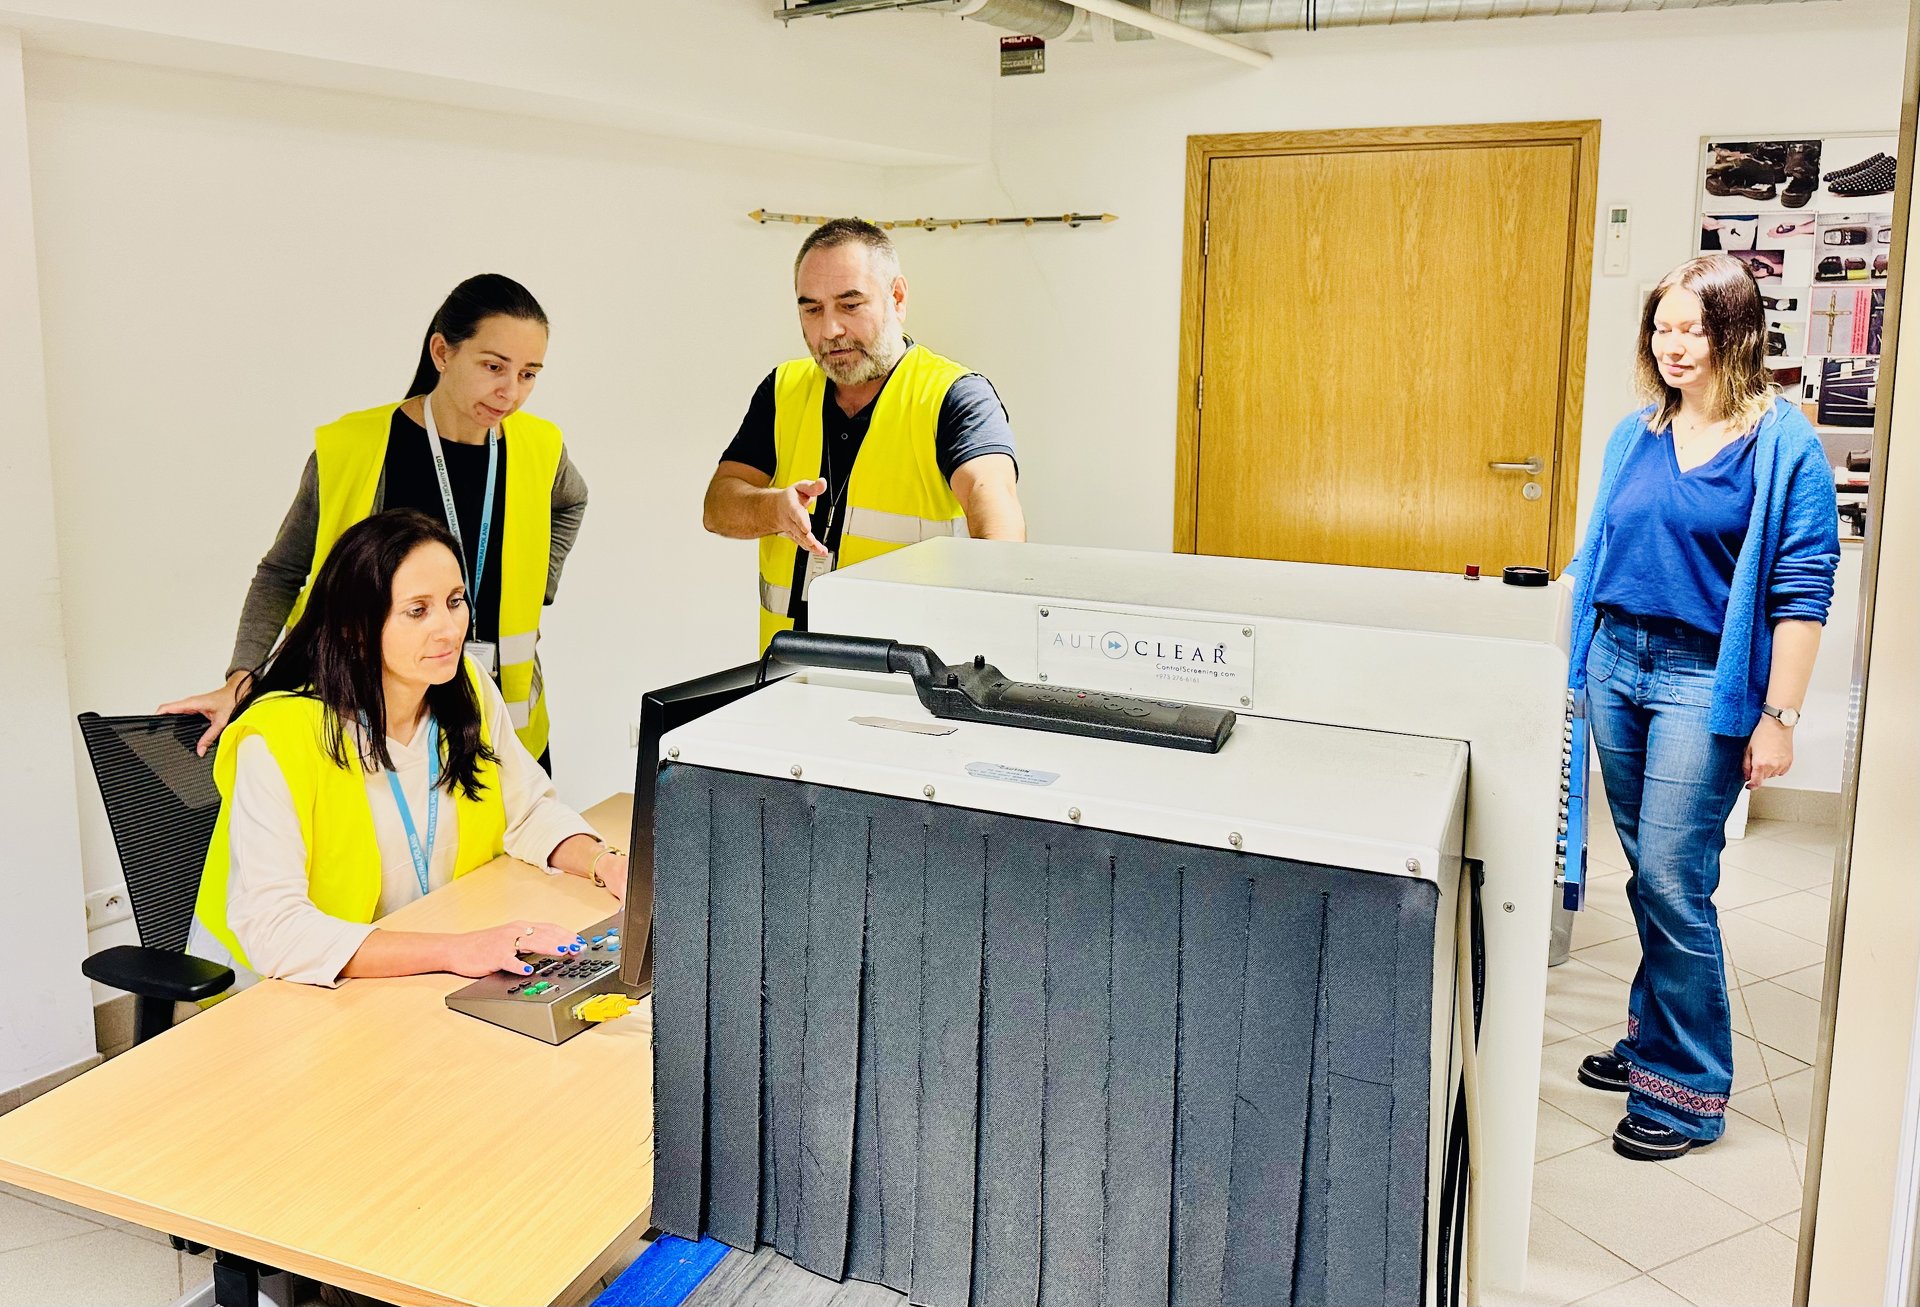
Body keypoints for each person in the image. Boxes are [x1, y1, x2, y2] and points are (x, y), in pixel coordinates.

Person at [1563, 254, 1839, 1161]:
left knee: (1675, 879)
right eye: (1662, 327)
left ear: (1735, 333)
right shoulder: (1636, 433)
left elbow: (1803, 588)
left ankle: (1686, 1091)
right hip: (1617, 664)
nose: (1674, 345)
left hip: (1699, 680)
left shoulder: (1782, 442)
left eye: (1694, 328)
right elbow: (1601, 551)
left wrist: (1780, 718)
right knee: (1649, 873)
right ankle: (1653, 1040)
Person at [162, 274, 587, 769]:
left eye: (528, 374)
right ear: (442, 353)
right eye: (493, 366)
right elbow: (281, 572)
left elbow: (572, 502)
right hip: (366, 719)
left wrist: (538, 583)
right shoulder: (353, 448)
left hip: (498, 724)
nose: (509, 392)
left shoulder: (540, 446)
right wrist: (242, 676)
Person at [188, 510, 627, 987]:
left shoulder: (467, 687)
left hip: (413, 966)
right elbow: (276, 930)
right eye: (417, 611)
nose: (449, 629)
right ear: (355, 627)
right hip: (276, 991)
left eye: (455, 601)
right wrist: (457, 950)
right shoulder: (278, 736)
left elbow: (528, 810)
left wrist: (607, 864)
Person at [702, 218, 1026, 651]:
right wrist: (774, 510)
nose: (830, 330)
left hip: (907, 682)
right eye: (812, 309)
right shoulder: (782, 389)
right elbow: (718, 506)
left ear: (897, 298)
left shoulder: (954, 396)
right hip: (785, 674)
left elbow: (997, 523)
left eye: (850, 305)